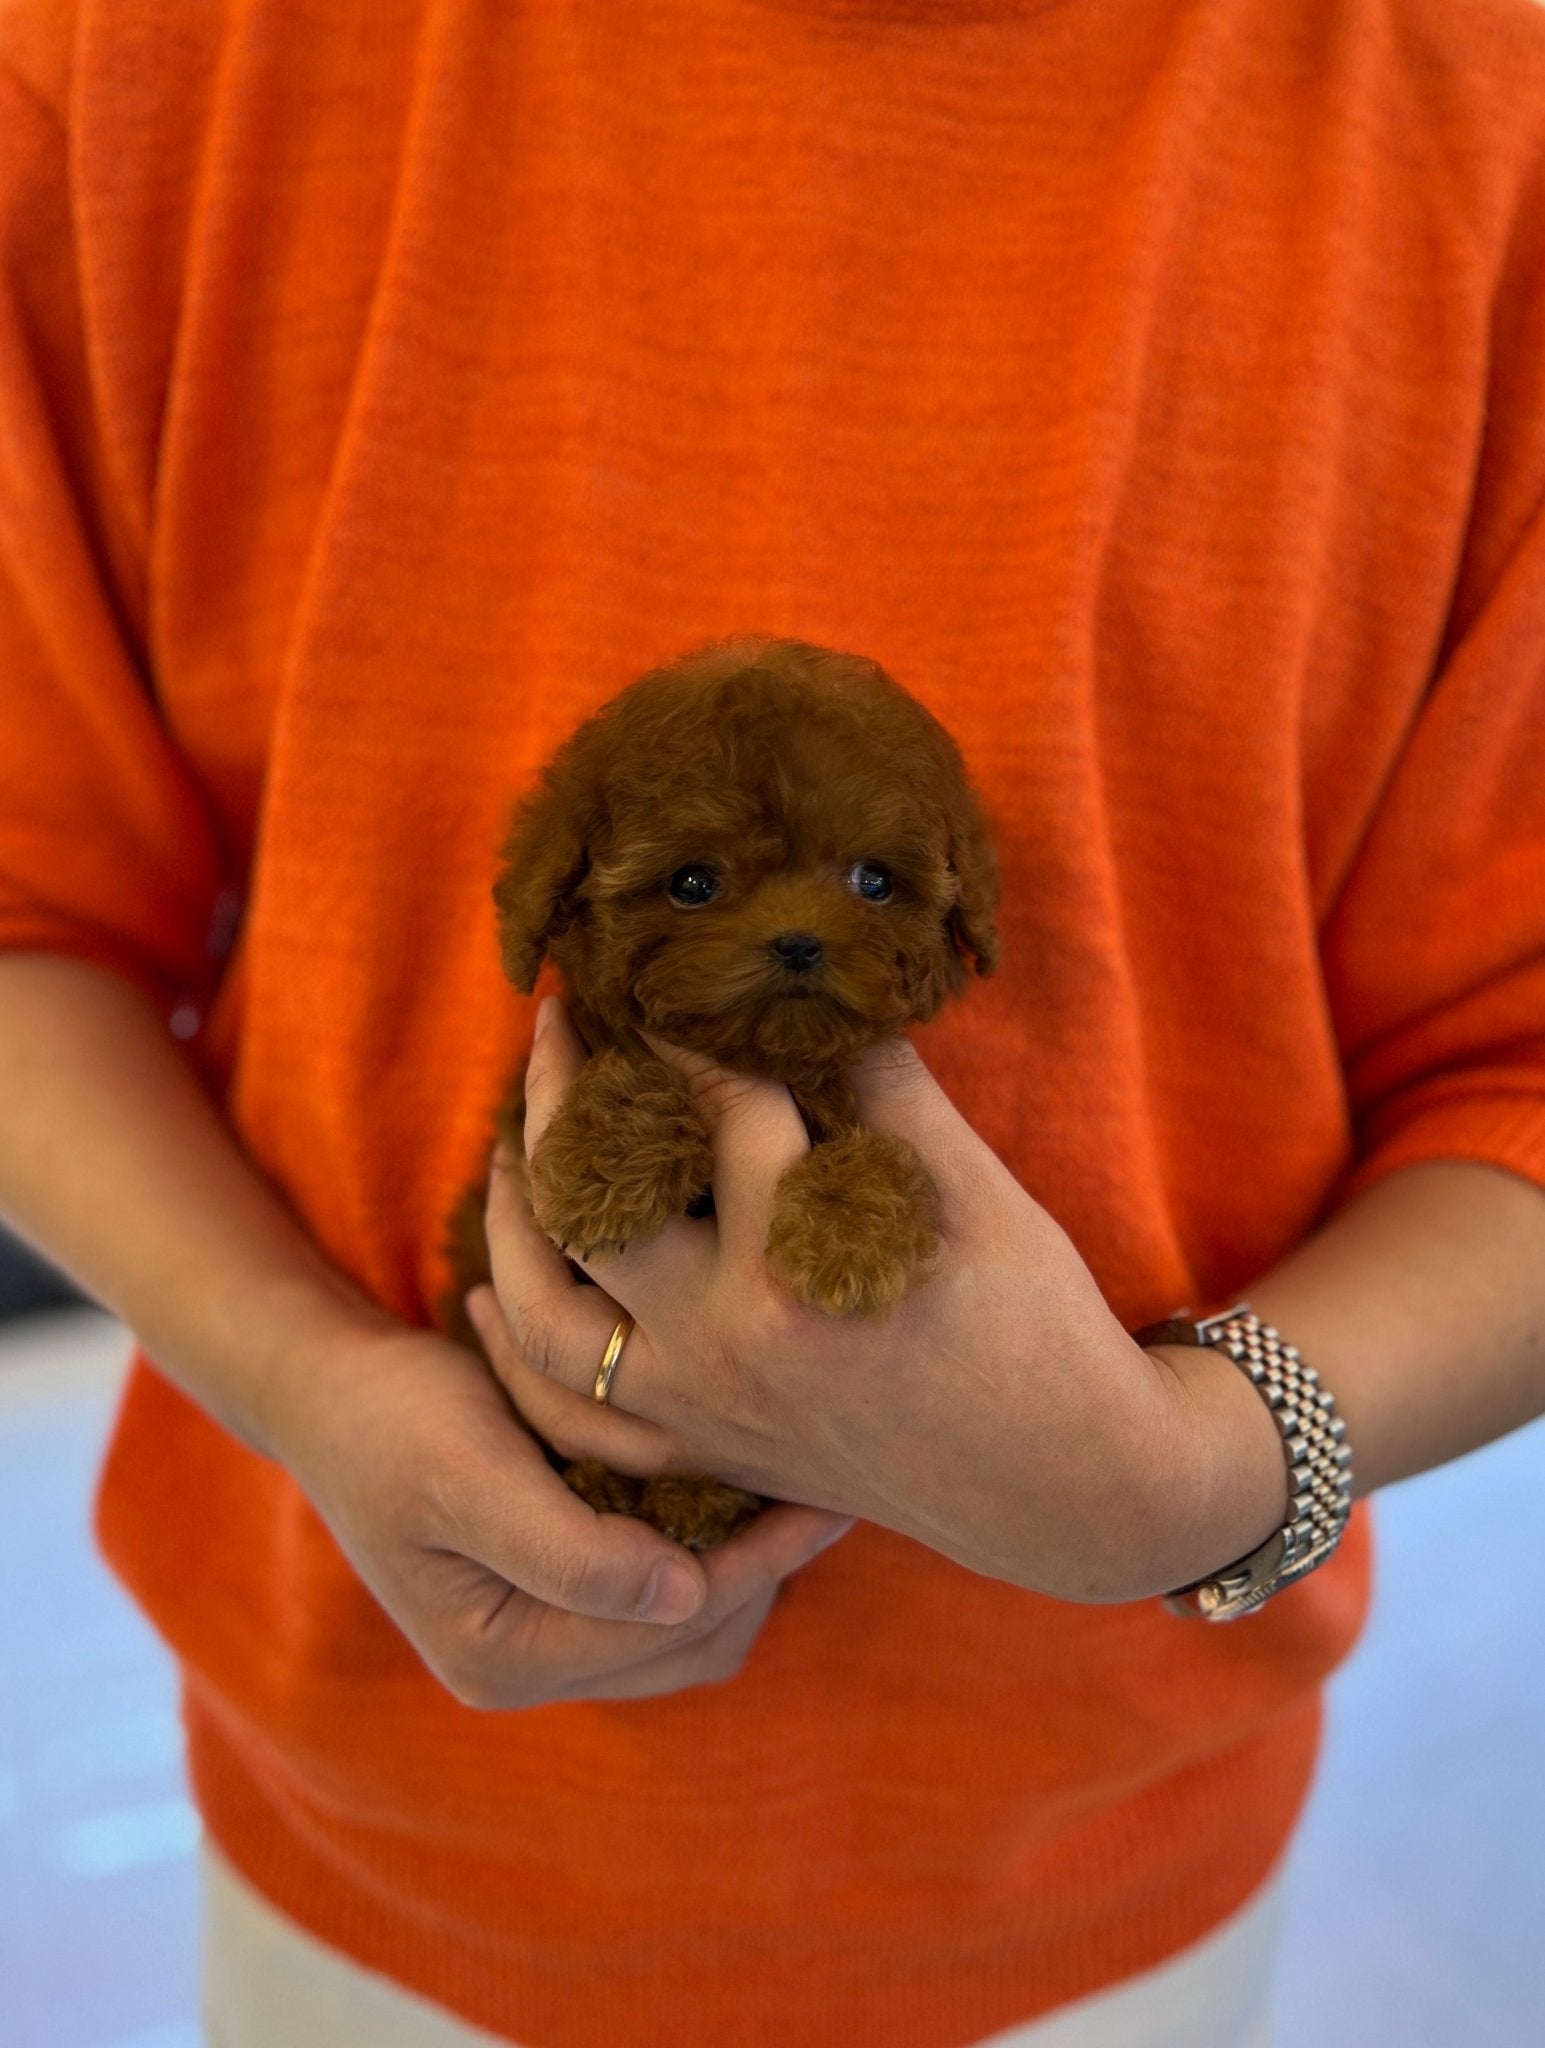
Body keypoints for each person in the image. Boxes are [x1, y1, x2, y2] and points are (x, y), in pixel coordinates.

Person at [1, 1, 1543, 2043]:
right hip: (368, 1804)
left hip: (1097, 1840)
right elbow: (35, 914)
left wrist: (1197, 1467)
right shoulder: (139, 56)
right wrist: (308, 1383)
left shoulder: (1473, 104)